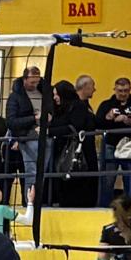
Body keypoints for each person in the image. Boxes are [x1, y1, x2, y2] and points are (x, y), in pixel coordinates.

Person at [95, 77, 131, 205]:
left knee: (130, 178)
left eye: (126, 90)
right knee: (108, 179)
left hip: (130, 147)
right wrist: (110, 118)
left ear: (130, 89)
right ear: (114, 89)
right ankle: (104, 206)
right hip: (111, 145)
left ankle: (129, 206)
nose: (123, 93)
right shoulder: (106, 105)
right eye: (120, 90)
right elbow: (97, 123)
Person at [46, 80, 98, 209]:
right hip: (67, 152)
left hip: (80, 153)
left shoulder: (78, 107)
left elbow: (74, 126)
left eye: (57, 94)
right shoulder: (64, 108)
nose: (55, 98)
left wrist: (49, 130)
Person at [4, 65, 51, 205]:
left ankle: (38, 202)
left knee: (43, 172)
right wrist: (34, 119)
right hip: (28, 138)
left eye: (37, 82)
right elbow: (11, 122)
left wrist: (49, 117)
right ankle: (31, 203)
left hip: (46, 136)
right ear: (24, 79)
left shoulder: (45, 93)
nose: (34, 85)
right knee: (32, 172)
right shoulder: (15, 97)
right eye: (32, 82)